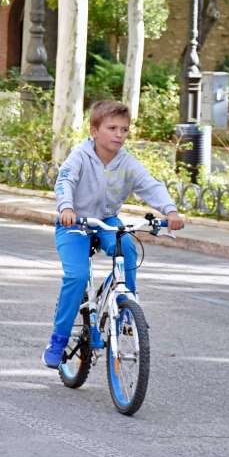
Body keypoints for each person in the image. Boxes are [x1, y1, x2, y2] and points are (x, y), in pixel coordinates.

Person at [42, 100, 185, 369]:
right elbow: (66, 181)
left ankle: (125, 302)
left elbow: (149, 185)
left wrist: (171, 211)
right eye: (112, 128)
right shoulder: (80, 156)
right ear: (94, 131)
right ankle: (58, 339)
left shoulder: (126, 162)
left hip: (106, 219)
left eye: (124, 129)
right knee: (77, 275)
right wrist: (67, 208)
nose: (119, 134)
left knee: (128, 247)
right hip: (74, 222)